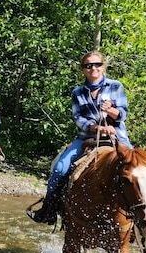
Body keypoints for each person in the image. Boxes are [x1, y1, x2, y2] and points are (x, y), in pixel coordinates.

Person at [28, 50, 131, 225]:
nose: (93, 68)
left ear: (103, 66)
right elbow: (78, 119)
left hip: (117, 136)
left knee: (139, 169)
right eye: (88, 65)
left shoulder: (115, 86)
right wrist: (96, 127)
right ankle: (49, 209)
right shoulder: (78, 92)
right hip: (87, 137)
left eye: (97, 64)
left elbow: (123, 114)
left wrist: (111, 111)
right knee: (60, 168)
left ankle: (144, 217)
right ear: (83, 69)